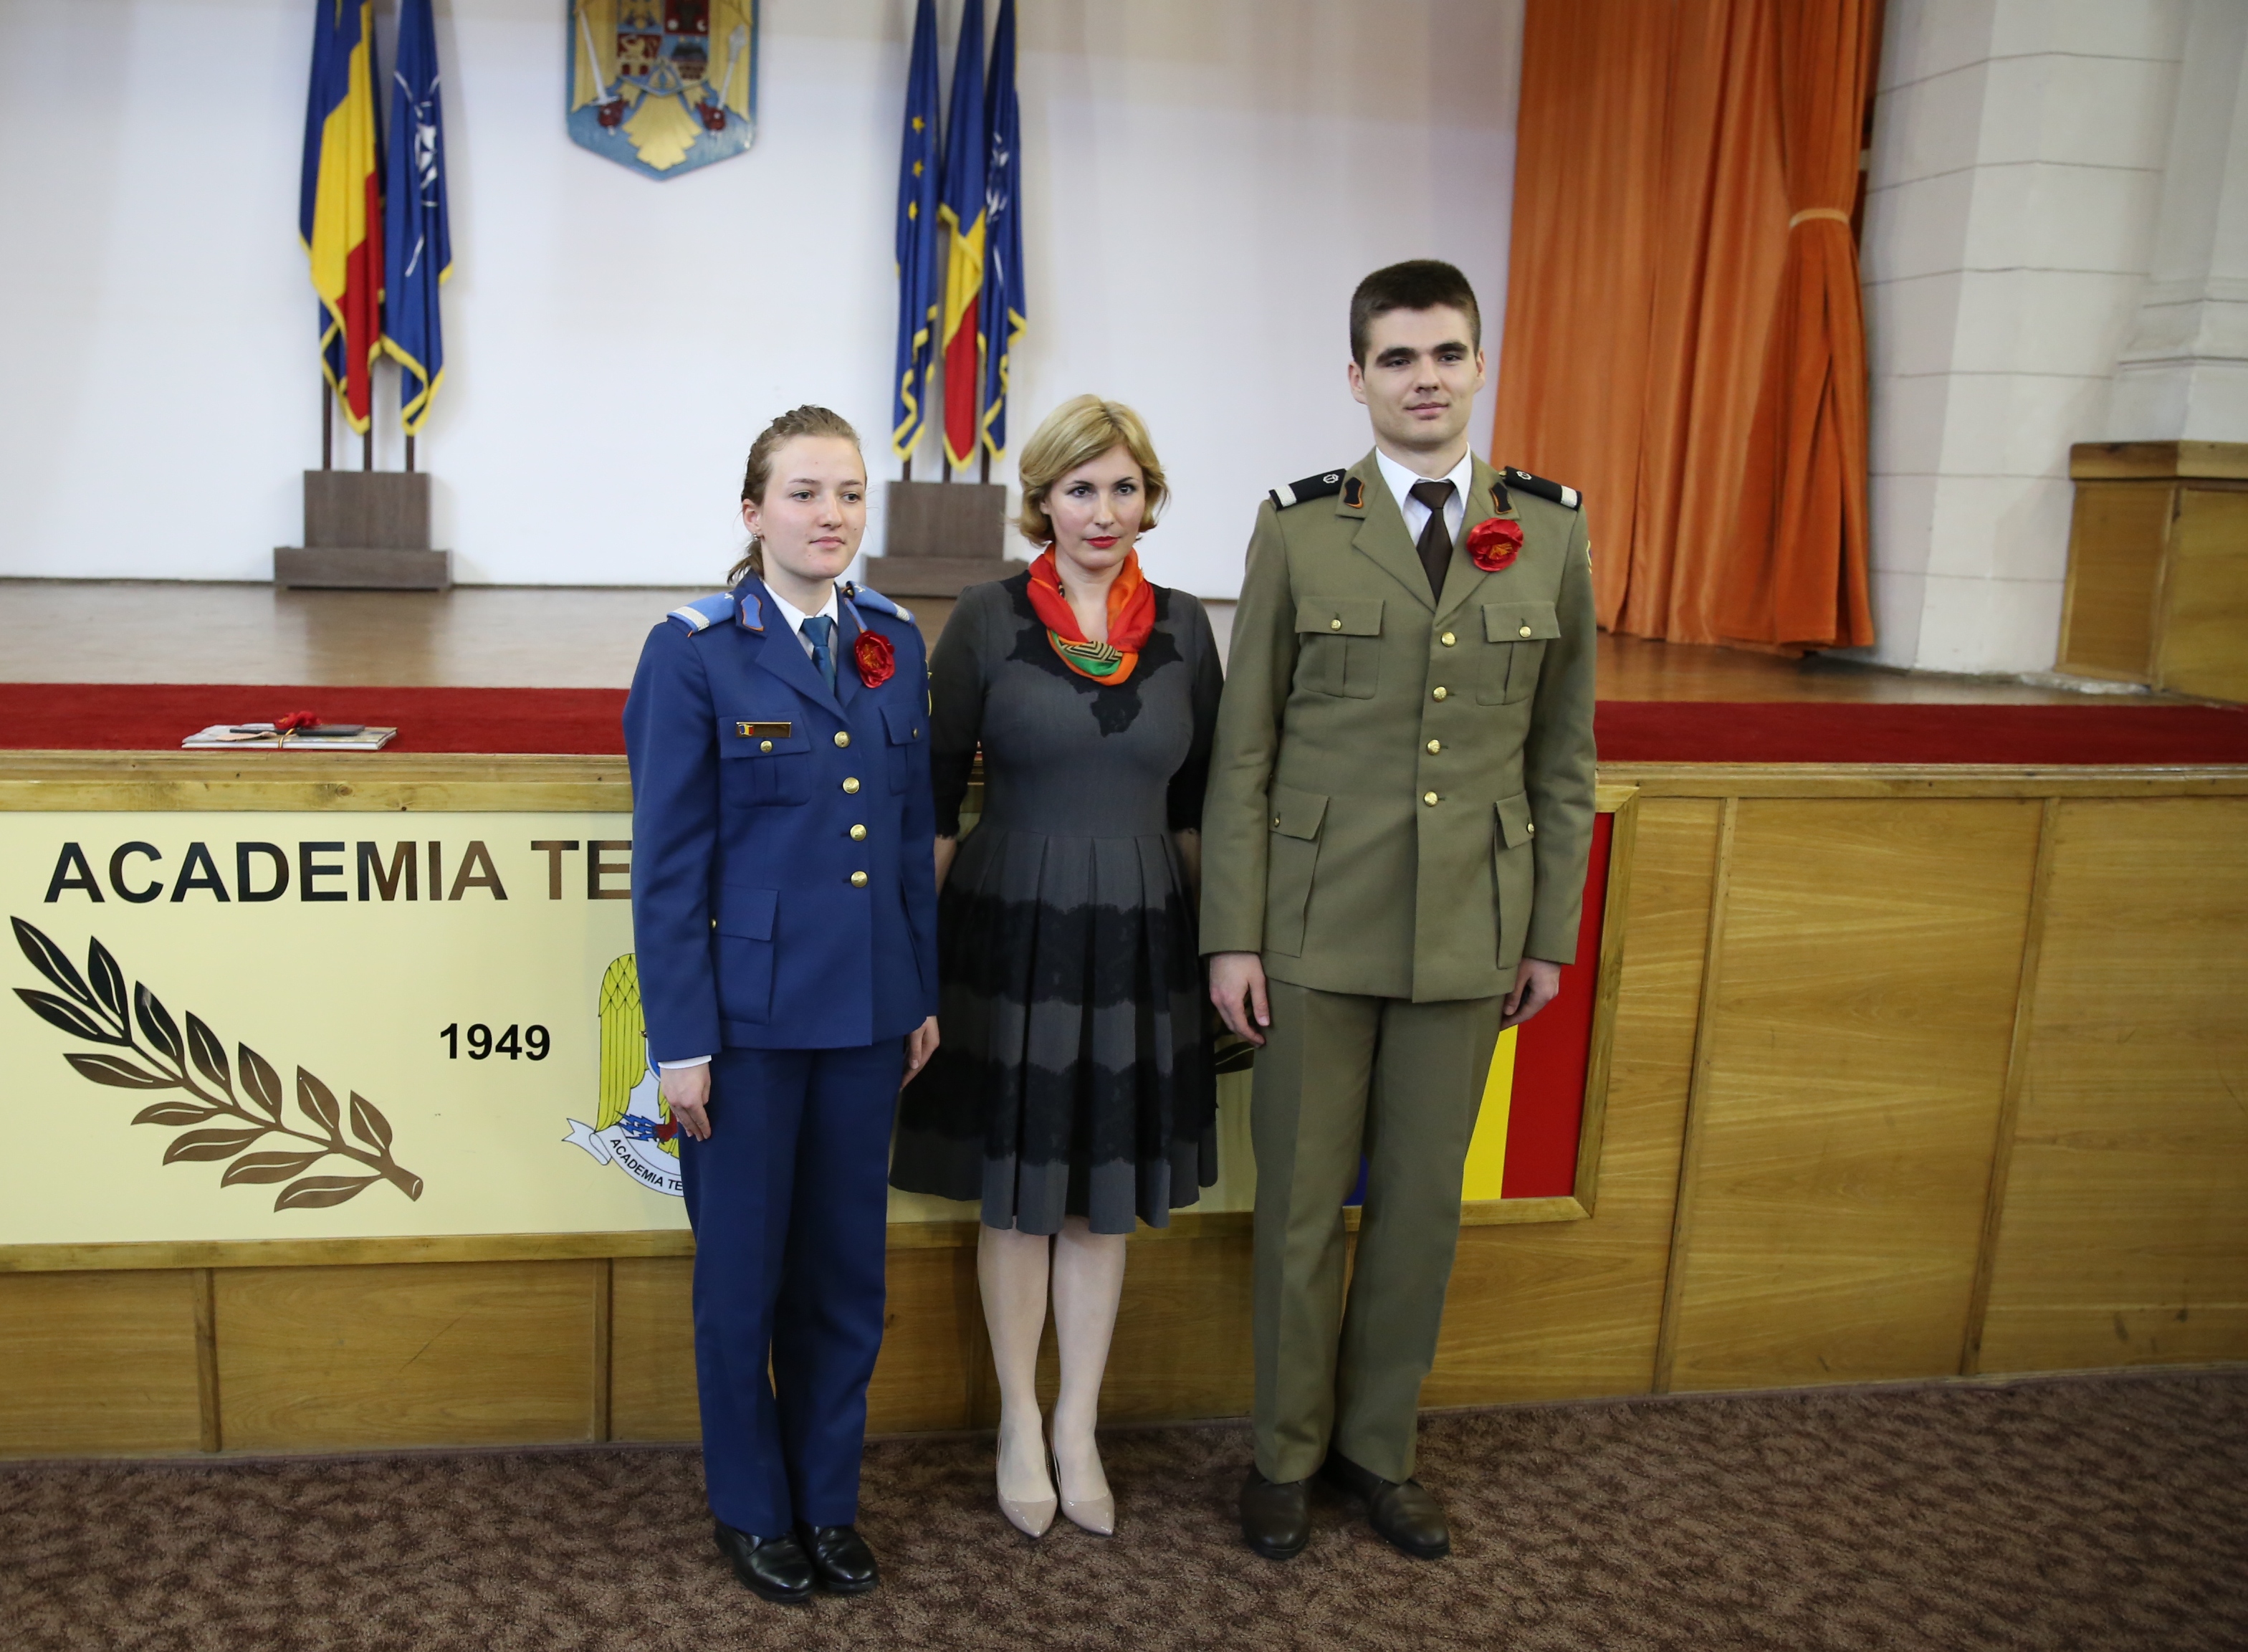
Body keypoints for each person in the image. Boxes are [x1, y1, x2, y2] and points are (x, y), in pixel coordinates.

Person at [1201, 260, 1597, 1562]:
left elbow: (1561, 753)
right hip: (1313, 928)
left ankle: (1379, 1451)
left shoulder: (1547, 528)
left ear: (1479, 365)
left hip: (1468, 931)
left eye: (1445, 354)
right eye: (1397, 357)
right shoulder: (1299, 527)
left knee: (1422, 1208)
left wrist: (1547, 933)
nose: (1423, 377)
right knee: (1303, 1207)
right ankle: (1282, 1452)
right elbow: (1244, 751)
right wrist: (1234, 934)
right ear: (1356, 377)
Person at [889, 395, 1223, 1540]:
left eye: (1124, 487)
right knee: (1021, 1194)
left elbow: (1194, 810)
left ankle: (1079, 1421)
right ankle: (1017, 1423)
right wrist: (904, 965)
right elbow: (934, 803)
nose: (1102, 510)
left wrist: (1212, 946)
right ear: (1042, 499)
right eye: (1080, 488)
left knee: (1100, 1201)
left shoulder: (1186, 625)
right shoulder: (983, 619)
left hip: (1137, 934)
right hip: (1010, 929)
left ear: (1150, 500)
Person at [623, 405, 940, 1606]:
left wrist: (913, 990)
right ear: (752, 512)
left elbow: (907, 837)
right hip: (747, 1031)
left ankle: (826, 1498)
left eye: (850, 494)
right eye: (805, 493)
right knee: (742, 1282)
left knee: (843, 1278)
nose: (831, 517)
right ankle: (753, 1509)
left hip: (866, 1016)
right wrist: (682, 1045)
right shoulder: (694, 651)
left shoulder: (893, 642)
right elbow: (668, 868)